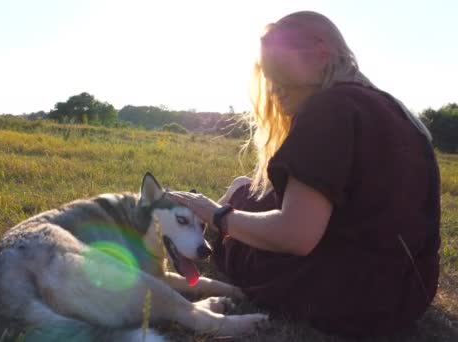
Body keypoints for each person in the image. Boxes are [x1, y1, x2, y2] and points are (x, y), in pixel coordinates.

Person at [167, 11, 440, 337]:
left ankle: (222, 215)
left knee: (239, 225)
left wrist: (218, 216)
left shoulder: (328, 108)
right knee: (249, 193)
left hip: (340, 298)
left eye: (279, 72)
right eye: (268, 79)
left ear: (321, 52)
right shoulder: (398, 114)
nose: (273, 90)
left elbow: (295, 236)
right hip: (408, 296)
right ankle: (237, 197)